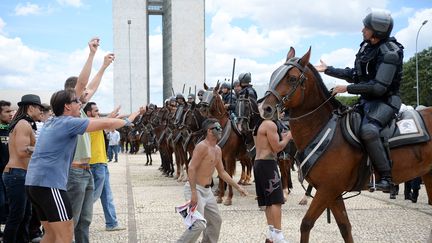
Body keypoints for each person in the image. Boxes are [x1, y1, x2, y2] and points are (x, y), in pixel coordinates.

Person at [25, 89, 139, 243]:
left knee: (51, 235)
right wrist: (127, 122)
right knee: (65, 235)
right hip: (49, 184)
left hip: (33, 183)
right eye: (76, 102)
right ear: (67, 106)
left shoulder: (52, 121)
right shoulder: (68, 123)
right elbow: (106, 122)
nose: (80, 104)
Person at [315, 10, 404, 192]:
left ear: (377, 30)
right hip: (367, 101)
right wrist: (328, 69)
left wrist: (346, 89)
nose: (363, 30)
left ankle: (387, 178)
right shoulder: (367, 47)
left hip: (386, 101)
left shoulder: (390, 53)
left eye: (367, 27)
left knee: (369, 130)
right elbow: (355, 74)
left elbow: (379, 87)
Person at [65, 37, 115, 243]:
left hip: (86, 171)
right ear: (72, 95)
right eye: (82, 92)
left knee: (85, 220)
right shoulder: (69, 113)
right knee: (73, 220)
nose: (87, 93)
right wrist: (93, 55)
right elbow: (84, 84)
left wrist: (103, 66)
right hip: (75, 171)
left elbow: (91, 86)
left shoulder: (81, 112)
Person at [177, 118, 247, 243]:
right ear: (209, 131)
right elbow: (191, 168)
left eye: (220, 127)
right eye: (217, 128)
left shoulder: (217, 149)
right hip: (195, 189)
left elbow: (222, 172)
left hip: (207, 192)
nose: (221, 130)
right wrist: (193, 193)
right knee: (198, 225)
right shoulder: (202, 147)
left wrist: (238, 187)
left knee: (216, 221)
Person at [2, 94, 43, 243]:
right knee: (17, 216)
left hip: (19, 174)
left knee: (25, 215)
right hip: (16, 174)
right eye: (39, 108)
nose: (41, 111)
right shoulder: (24, 124)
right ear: (31, 107)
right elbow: (22, 150)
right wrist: (42, 149)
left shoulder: (22, 123)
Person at [84, 102, 126, 231]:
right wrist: (116, 114)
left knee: (107, 195)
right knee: (91, 198)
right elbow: (108, 120)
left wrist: (115, 115)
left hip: (101, 164)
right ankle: (74, 223)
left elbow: (108, 120)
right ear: (88, 113)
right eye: (96, 111)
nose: (98, 113)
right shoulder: (88, 123)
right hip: (95, 165)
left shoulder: (95, 124)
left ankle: (111, 223)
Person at [254, 108, 292, 243]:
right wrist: (287, 138)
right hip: (267, 164)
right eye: (280, 110)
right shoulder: (270, 125)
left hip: (259, 163)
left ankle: (271, 234)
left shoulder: (260, 124)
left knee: (268, 202)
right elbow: (277, 147)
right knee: (276, 200)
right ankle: (279, 236)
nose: (282, 113)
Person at [0, 100, 13, 240]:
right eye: (7, 111)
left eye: (11, 111)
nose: (10, 114)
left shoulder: (11, 128)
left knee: (8, 202)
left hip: (9, 172)